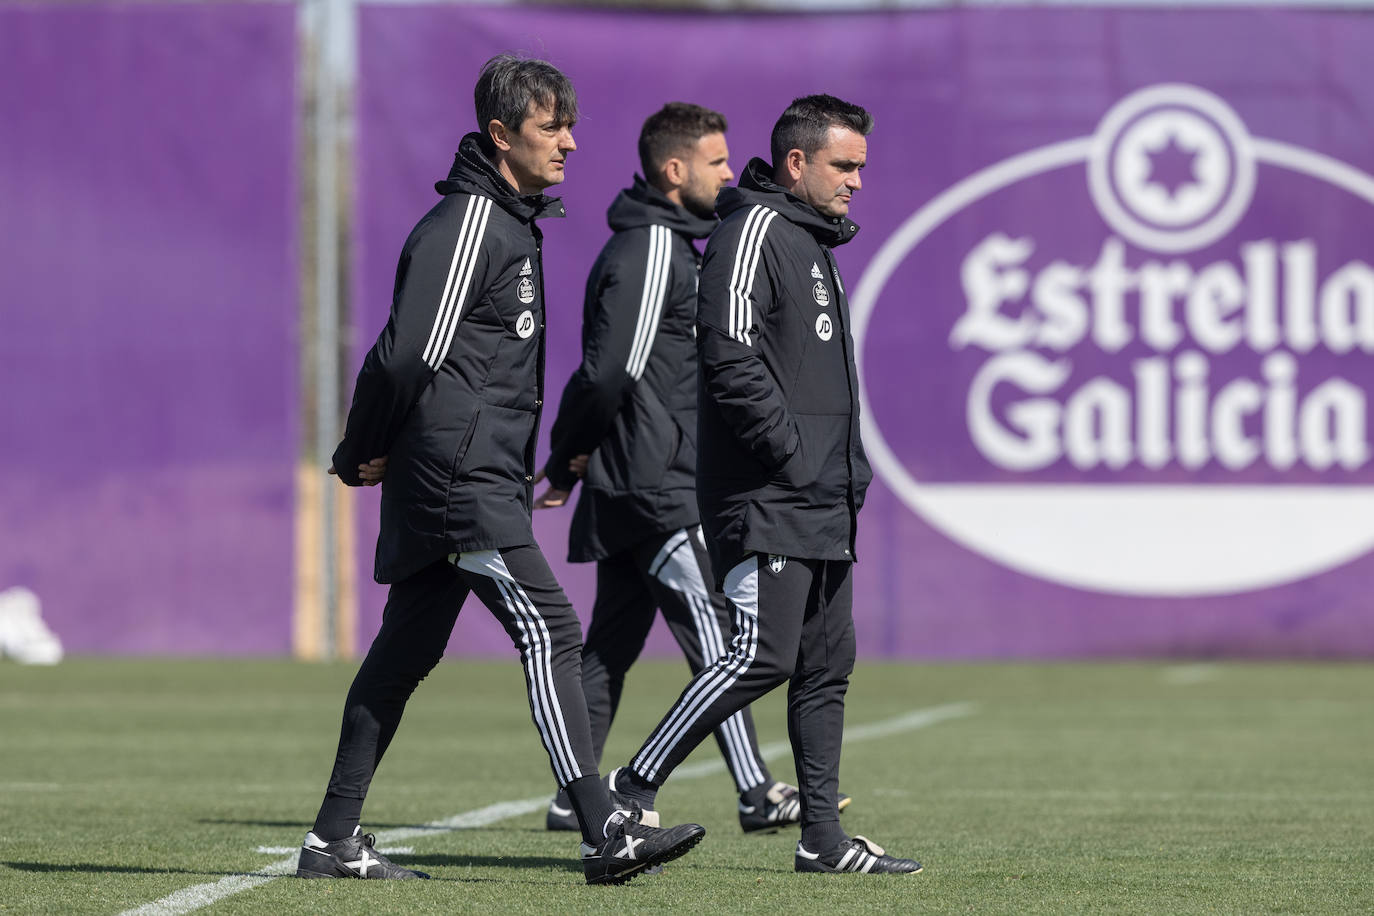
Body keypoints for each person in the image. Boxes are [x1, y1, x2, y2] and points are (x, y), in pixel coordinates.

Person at [295, 54, 704, 887]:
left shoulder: (510, 223)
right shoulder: (471, 224)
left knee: (399, 661)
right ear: (500, 134)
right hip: (458, 480)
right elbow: (405, 356)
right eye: (551, 126)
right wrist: (354, 449)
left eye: (569, 124)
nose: (570, 142)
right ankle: (604, 834)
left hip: (470, 474)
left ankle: (331, 840)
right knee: (551, 630)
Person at [604, 95, 923, 875]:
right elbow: (727, 350)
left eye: (860, 168)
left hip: (823, 497)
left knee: (824, 671)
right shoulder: (751, 229)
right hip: (768, 495)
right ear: (796, 162)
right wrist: (790, 453)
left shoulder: (814, 242)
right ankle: (630, 785)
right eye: (843, 166)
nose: (855, 182)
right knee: (764, 655)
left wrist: (841, 470)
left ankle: (822, 842)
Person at [534, 103, 841, 835]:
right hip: (654, 482)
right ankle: (756, 792)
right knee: (725, 634)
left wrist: (575, 463)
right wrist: (563, 459)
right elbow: (612, 373)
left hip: (638, 474)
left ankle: (569, 794)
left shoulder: (673, 245)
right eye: (717, 161)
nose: (730, 173)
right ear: (675, 172)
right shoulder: (649, 250)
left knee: (609, 648)